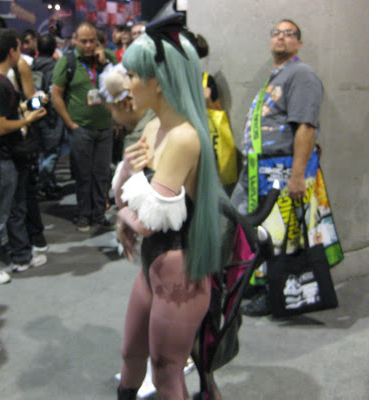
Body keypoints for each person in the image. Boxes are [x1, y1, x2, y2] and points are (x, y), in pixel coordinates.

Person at [112, 13, 223, 400]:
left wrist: (124, 214)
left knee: (166, 371)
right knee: (131, 353)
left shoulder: (183, 138)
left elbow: (148, 220)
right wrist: (128, 175)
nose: (127, 83)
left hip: (180, 274)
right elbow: (126, 199)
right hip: (153, 266)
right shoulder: (153, 127)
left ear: (157, 81)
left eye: (132, 75)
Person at [230, 19, 324, 316]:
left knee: (277, 235)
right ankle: (254, 282)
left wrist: (297, 176)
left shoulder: (302, 74)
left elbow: (306, 126)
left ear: (299, 43)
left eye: (289, 33)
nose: (281, 37)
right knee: (249, 228)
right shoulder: (277, 76)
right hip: (257, 169)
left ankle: (274, 294)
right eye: (276, 33)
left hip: (279, 169)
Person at [0, 29, 47, 284]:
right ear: (12, 52)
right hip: (1, 157)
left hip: (9, 156)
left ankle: (20, 256)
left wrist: (34, 104)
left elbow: (13, 110)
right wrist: (27, 119)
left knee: (15, 208)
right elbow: (0, 126)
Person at [51, 21, 113, 232]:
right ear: (75, 40)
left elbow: (120, 88)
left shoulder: (108, 58)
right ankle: (83, 214)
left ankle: (99, 214)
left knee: (102, 174)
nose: (88, 46)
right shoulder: (67, 61)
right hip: (81, 129)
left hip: (105, 128)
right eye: (83, 41)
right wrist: (70, 123)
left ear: (98, 41)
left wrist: (106, 63)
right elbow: (56, 94)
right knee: (83, 174)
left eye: (92, 41)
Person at [31, 33, 65, 201]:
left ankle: (49, 186)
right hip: (52, 116)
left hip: (33, 113)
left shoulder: (30, 66)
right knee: (51, 153)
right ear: (54, 49)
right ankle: (40, 186)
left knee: (41, 153)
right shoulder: (57, 67)